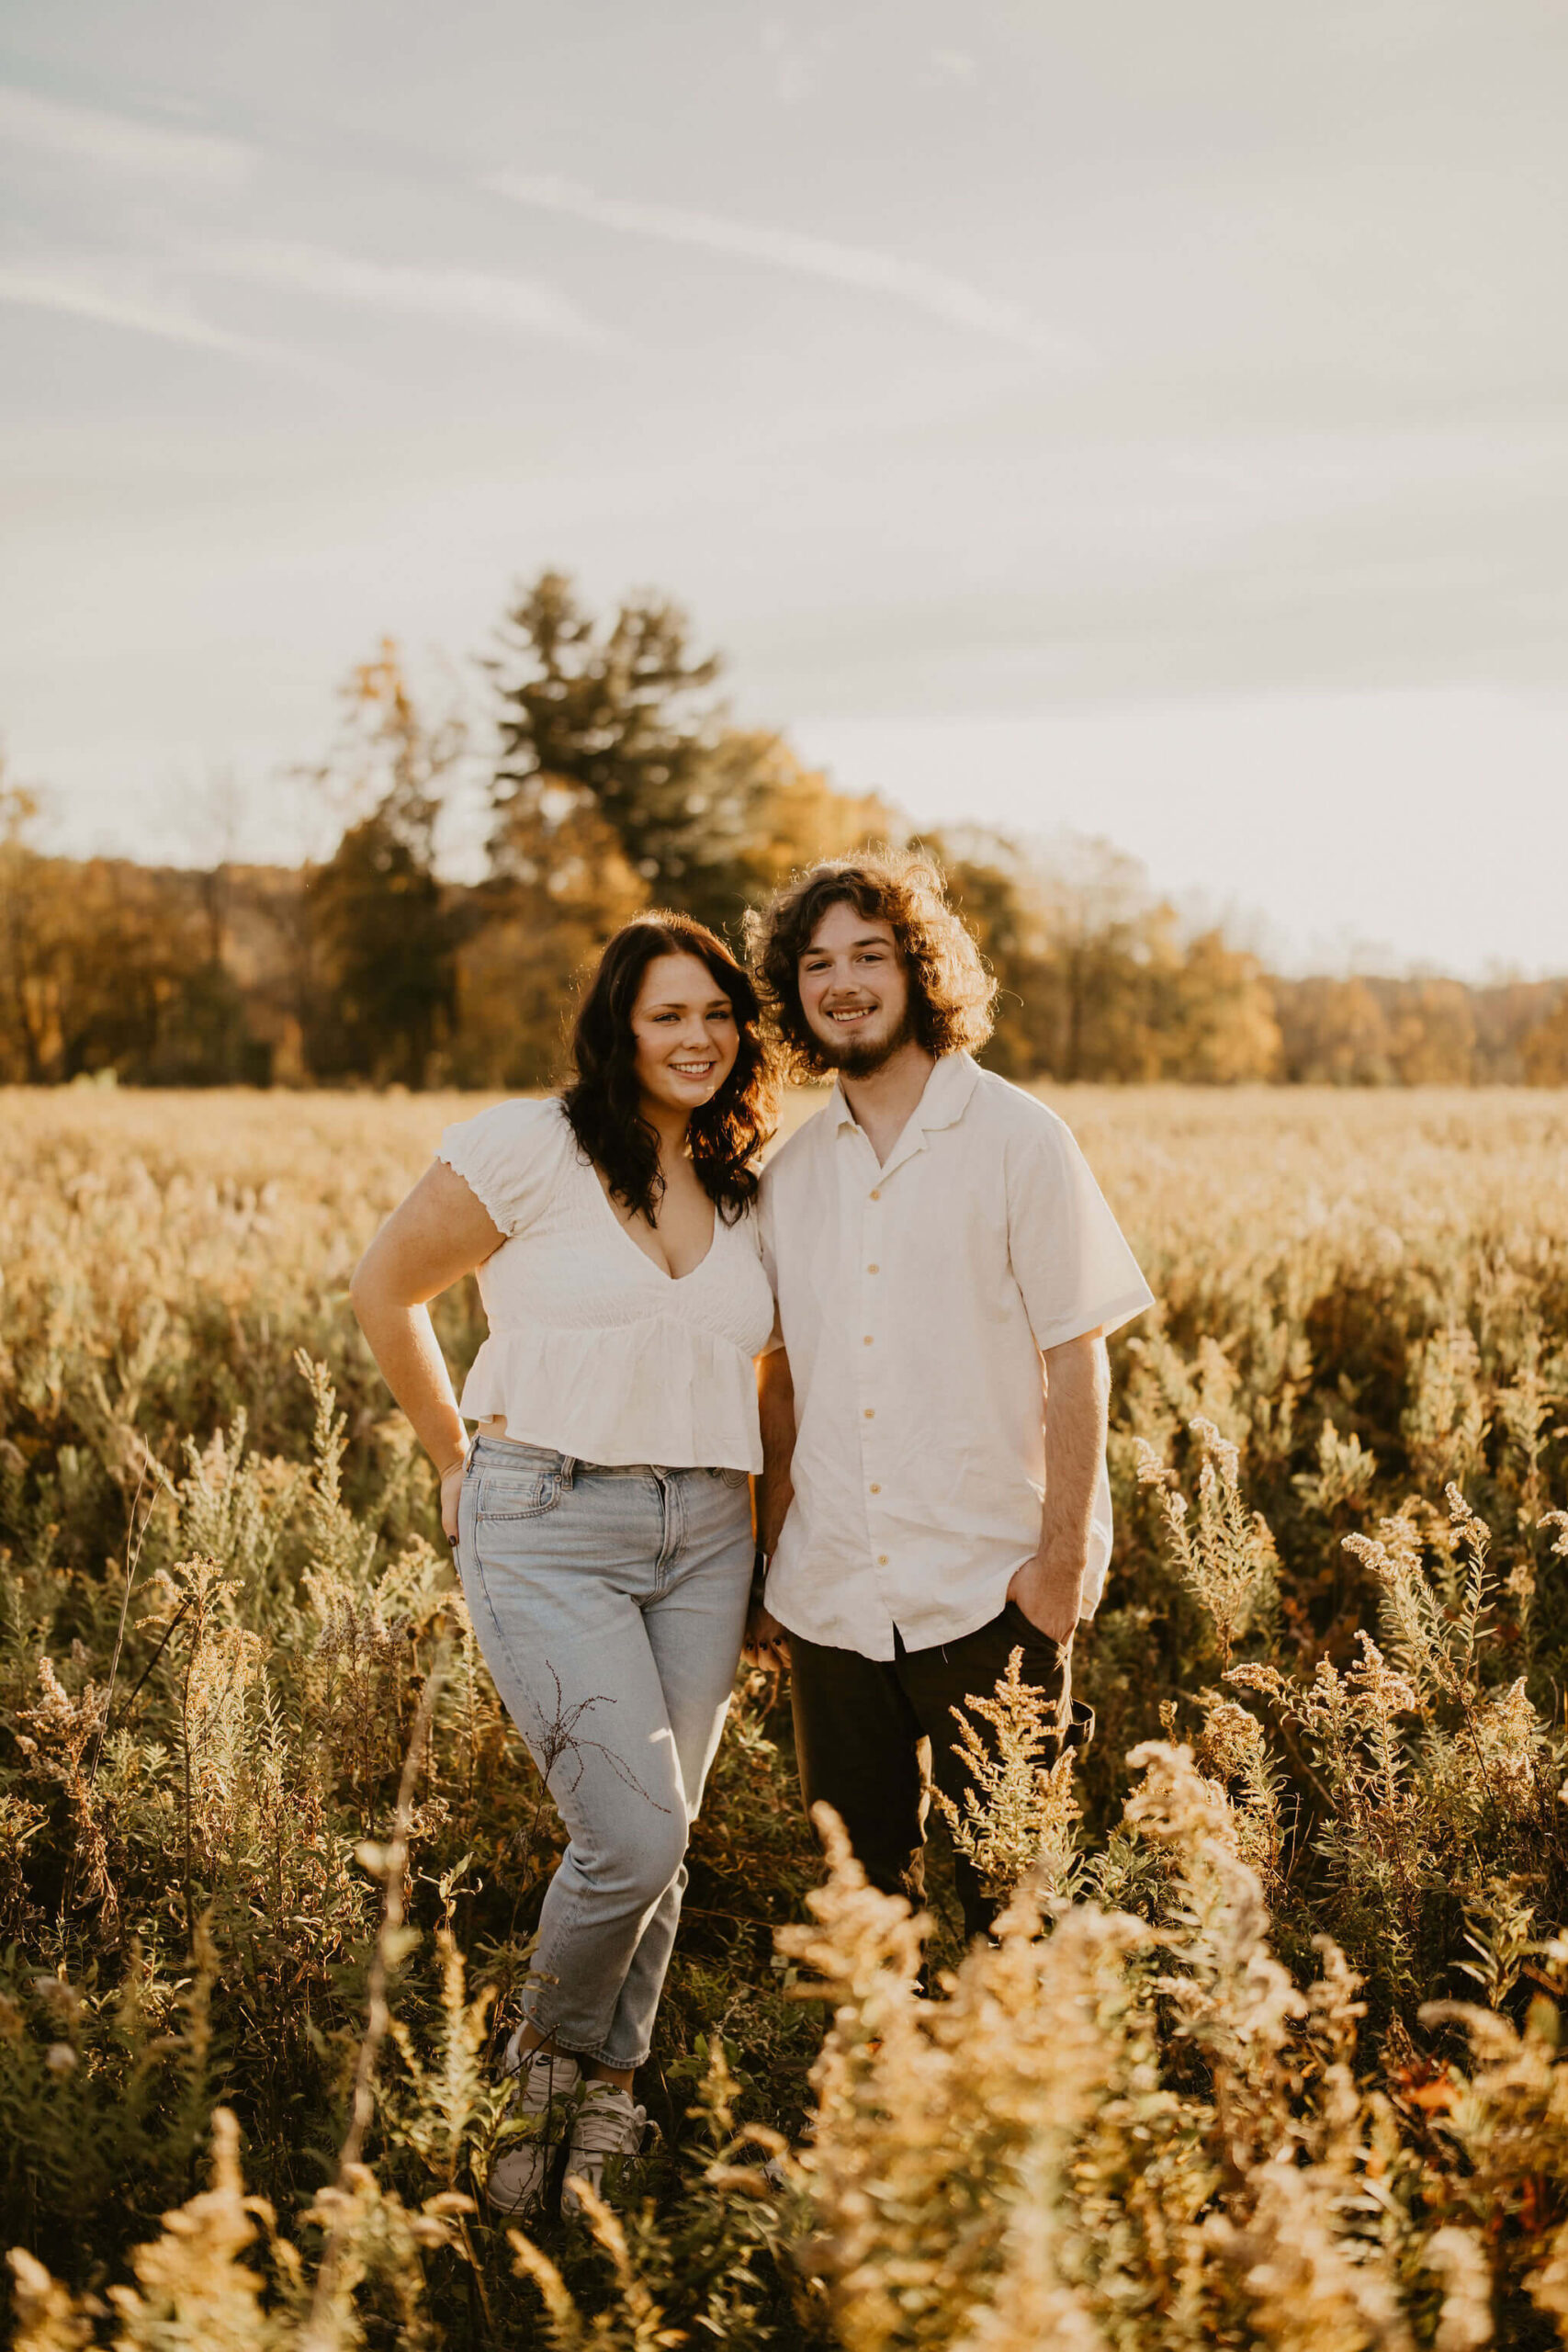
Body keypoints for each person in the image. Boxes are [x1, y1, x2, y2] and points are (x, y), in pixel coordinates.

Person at [350, 914, 775, 2219]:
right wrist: (446, 1459)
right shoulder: (525, 1146)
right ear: (617, 1027)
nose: (696, 1037)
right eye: (667, 1015)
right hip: (544, 1516)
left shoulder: (746, 1179)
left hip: (705, 1530)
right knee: (629, 1834)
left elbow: (769, 1373)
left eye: (716, 1013)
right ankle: (539, 2065)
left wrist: (769, 1543)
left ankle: (612, 2090)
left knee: (665, 1834)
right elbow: (384, 1290)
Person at [745, 850, 1154, 1946]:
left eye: (870, 956)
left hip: (992, 1589)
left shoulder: (1022, 1140)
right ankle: (887, 2109)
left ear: (921, 972)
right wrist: (767, 1563)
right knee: (863, 1917)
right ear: (796, 991)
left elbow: (1079, 1356)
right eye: (819, 962)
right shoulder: (791, 1174)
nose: (844, 983)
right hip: (830, 1599)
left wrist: (1061, 1563)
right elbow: (779, 1379)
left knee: (1014, 1909)